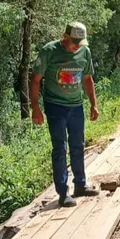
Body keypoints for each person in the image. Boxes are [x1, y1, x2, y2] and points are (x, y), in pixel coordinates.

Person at [30, 22, 100, 207]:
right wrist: (35, 108)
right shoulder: (49, 51)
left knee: (78, 145)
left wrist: (94, 104)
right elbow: (36, 80)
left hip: (76, 106)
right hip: (55, 106)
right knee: (60, 148)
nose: (77, 45)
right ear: (65, 37)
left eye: (80, 42)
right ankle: (63, 192)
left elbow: (87, 78)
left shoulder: (84, 52)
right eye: (74, 42)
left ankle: (80, 185)